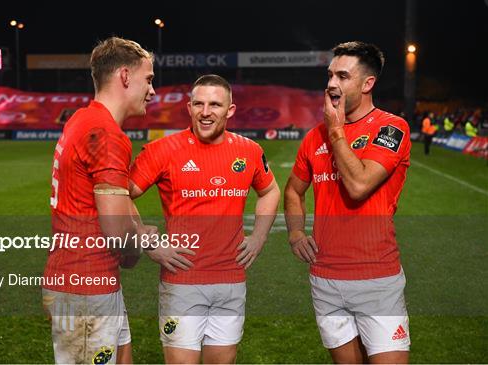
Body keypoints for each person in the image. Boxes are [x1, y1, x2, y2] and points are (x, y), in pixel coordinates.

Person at [129, 74, 280, 364]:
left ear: (230, 110)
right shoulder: (163, 150)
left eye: (215, 104)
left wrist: (259, 237)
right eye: (198, 103)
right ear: (189, 107)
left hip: (231, 280)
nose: (206, 112)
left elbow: (270, 190)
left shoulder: (249, 151)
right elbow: (118, 194)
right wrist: (148, 241)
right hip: (183, 281)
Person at [284, 41, 411, 364]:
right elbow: (293, 190)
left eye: (342, 76)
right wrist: (296, 233)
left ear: (368, 83)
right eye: (329, 75)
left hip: (376, 279)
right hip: (325, 279)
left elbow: (358, 185)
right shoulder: (315, 137)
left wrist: (337, 130)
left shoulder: (391, 128)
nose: (331, 84)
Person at [42, 37, 156, 364]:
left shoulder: (82, 119)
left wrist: (135, 229)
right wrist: (143, 240)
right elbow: (117, 234)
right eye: (147, 79)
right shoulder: (105, 133)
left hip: (86, 279)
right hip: (86, 287)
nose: (152, 90)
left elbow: (115, 204)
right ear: (124, 76)